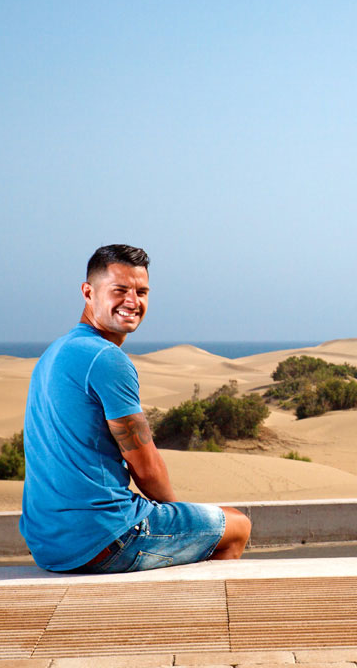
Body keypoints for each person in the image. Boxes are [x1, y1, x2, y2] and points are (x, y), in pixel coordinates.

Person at [20, 244, 252, 572]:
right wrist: (180, 515)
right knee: (237, 525)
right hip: (105, 538)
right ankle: (194, 617)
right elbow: (145, 466)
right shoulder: (107, 358)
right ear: (88, 292)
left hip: (48, 545)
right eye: (119, 290)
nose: (133, 301)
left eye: (141, 291)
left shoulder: (55, 353)